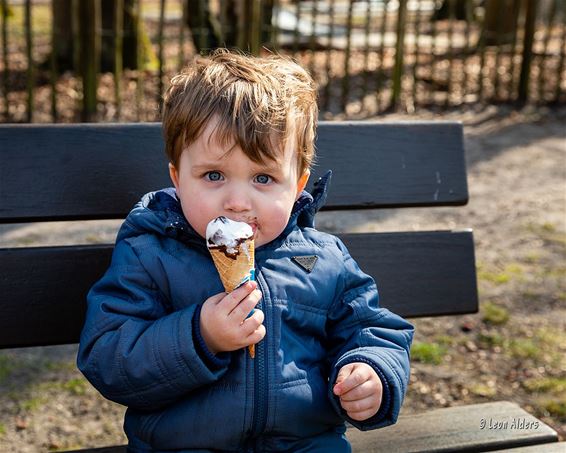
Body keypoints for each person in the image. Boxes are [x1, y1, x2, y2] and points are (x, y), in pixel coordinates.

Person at [77, 49, 413, 452]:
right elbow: (109, 357)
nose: (237, 201)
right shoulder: (151, 254)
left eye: (264, 178)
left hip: (305, 444)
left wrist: (372, 372)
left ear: (298, 185)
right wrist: (199, 336)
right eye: (213, 175)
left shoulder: (323, 259)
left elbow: (374, 329)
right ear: (178, 178)